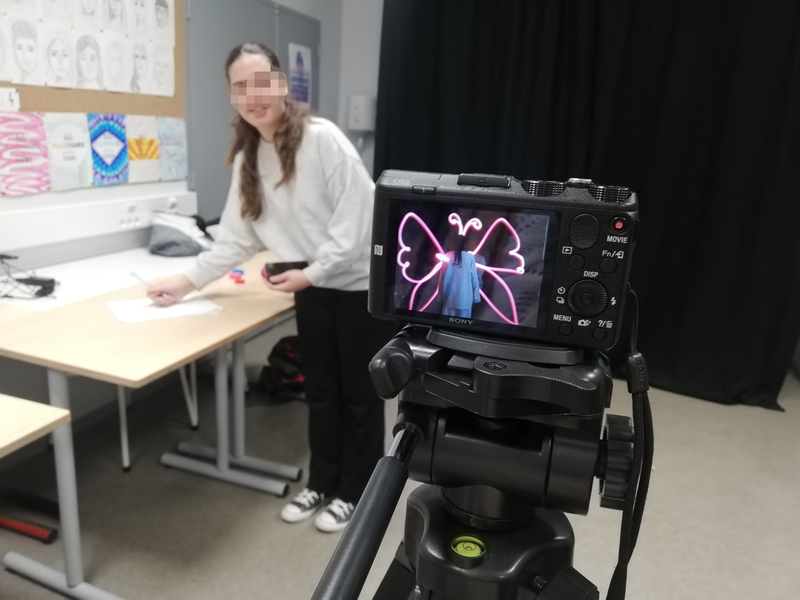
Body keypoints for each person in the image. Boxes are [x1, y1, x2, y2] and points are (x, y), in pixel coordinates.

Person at [147, 42, 396, 533]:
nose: (253, 95)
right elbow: (235, 240)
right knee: (319, 391)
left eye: (261, 82)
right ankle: (322, 482)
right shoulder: (249, 157)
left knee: (359, 395)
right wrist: (185, 281)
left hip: (357, 285)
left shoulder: (323, 140)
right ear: (232, 96)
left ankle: (357, 491)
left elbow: (357, 225)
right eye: (240, 86)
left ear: (281, 84)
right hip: (312, 284)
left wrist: (311, 274)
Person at [439, 233, 481, 318]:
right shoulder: (470, 258)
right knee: (463, 324)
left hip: (449, 297)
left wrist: (440, 296)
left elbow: (442, 278)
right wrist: (475, 298)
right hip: (465, 298)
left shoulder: (447, 256)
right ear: (465, 244)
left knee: (447, 323)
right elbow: (474, 279)